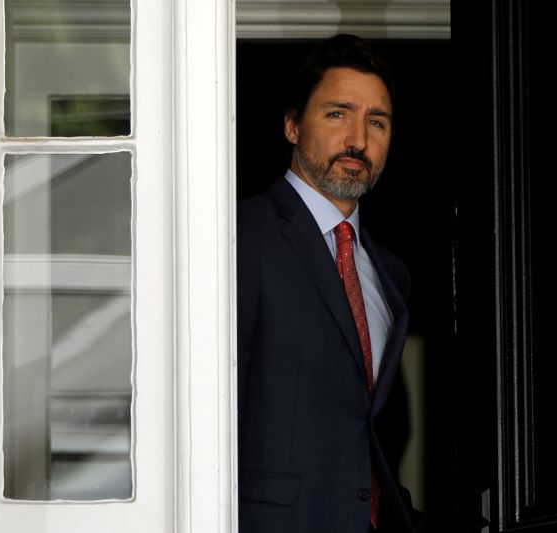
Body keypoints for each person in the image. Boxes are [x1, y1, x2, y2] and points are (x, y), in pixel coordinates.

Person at [237, 34, 422, 532]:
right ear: (293, 125)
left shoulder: (388, 269)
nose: (358, 140)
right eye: (338, 114)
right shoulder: (237, 236)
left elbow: (372, 424)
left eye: (376, 122)